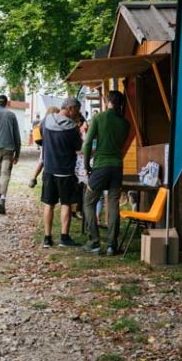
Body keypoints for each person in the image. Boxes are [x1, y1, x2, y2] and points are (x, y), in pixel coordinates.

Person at [82, 91, 131, 255]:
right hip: (117, 167)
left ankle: (94, 242)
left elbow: (87, 143)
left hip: (101, 166)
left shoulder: (98, 118)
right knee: (113, 204)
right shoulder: (125, 124)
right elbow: (121, 146)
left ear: (107, 101)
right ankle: (112, 245)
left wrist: (86, 164)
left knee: (88, 201)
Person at [39, 98, 83, 247]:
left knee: (49, 204)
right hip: (66, 171)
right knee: (66, 203)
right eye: (77, 110)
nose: (78, 114)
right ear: (70, 108)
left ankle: (47, 238)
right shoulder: (72, 128)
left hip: (49, 168)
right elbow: (78, 147)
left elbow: (41, 138)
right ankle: (64, 237)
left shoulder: (46, 121)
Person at [29, 105, 59, 188]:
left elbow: (38, 137)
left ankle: (33, 177)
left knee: (41, 160)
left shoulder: (41, 123)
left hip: (44, 145)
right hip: (51, 145)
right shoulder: (54, 123)